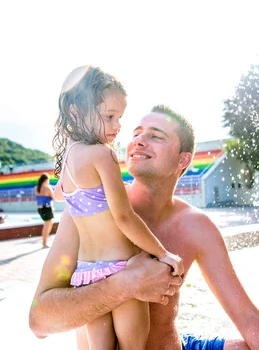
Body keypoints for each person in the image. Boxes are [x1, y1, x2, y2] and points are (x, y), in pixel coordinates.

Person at [30, 105, 259, 350]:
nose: (138, 141)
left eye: (155, 136)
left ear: (183, 160)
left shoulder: (196, 227)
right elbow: (40, 322)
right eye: (136, 134)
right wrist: (124, 285)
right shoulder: (88, 211)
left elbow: (248, 317)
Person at [49, 66, 183, 349]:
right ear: (77, 112)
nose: (117, 126)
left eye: (119, 117)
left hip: (86, 275)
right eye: (110, 117)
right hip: (121, 270)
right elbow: (124, 217)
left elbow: (60, 195)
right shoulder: (102, 154)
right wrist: (163, 253)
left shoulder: (69, 158)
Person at [35, 173, 56, 248]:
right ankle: (44, 243)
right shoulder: (47, 188)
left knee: (47, 224)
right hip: (47, 208)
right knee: (47, 225)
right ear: (46, 180)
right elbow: (54, 197)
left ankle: (44, 241)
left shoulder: (36, 188)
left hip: (40, 208)